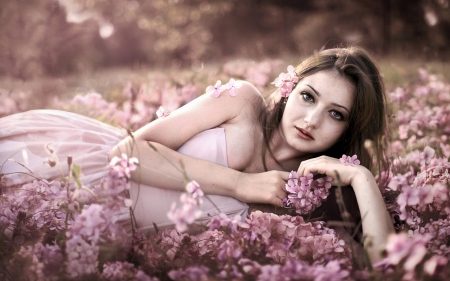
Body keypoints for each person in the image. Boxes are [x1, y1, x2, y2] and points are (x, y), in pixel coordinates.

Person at [0, 46, 394, 262]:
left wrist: (361, 178)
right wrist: (243, 184)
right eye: (308, 96)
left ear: (348, 131)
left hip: (109, 241)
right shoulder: (244, 103)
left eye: (335, 114)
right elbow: (129, 151)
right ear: (290, 88)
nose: (310, 119)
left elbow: (381, 262)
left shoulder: (309, 196)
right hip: (78, 178)